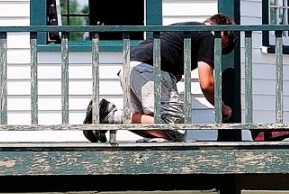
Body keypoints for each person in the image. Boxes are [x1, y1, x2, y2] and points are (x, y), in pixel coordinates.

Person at [83, 14, 236, 143]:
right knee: (176, 130)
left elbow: (165, 51)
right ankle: (109, 115)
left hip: (130, 68)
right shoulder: (209, 35)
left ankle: (105, 117)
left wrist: (173, 73)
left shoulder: (188, 30)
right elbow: (207, 84)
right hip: (149, 71)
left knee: (152, 124)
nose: (216, 51)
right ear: (222, 32)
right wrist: (222, 108)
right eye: (221, 46)